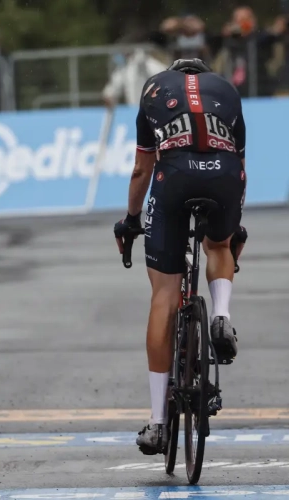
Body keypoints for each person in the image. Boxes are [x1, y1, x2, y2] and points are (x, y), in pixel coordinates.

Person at [113, 58, 246, 455]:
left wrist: (131, 221)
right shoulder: (227, 89)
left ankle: (157, 423)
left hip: (174, 180)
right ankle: (221, 317)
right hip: (224, 176)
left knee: (164, 296)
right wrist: (233, 225)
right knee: (219, 245)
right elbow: (240, 166)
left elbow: (141, 169)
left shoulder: (154, 90)